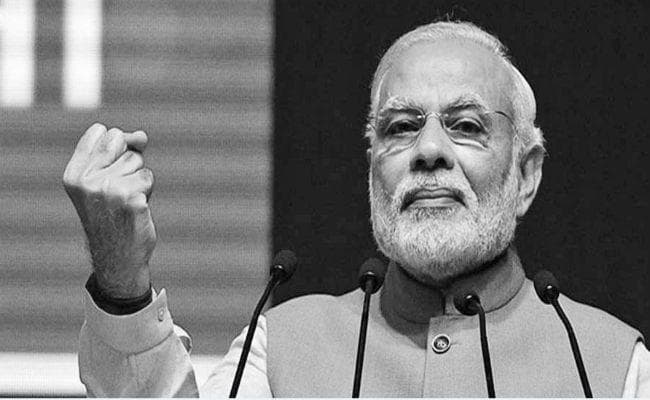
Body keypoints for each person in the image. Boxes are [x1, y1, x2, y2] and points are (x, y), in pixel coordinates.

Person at [64, 21, 649, 397]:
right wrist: (122, 276)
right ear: (372, 170)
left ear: (526, 174)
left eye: (467, 126)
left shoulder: (612, 367)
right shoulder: (281, 349)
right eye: (401, 128)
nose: (428, 151)